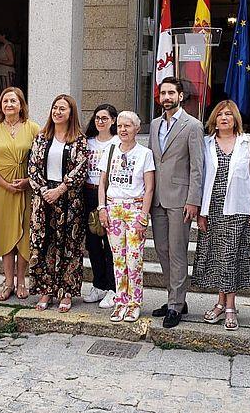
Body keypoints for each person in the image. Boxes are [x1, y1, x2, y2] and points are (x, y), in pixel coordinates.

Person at [193, 100, 250, 331]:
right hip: (211, 209)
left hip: (238, 208)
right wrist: (199, 211)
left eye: (229, 114)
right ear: (214, 119)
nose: (224, 118)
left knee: (231, 257)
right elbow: (200, 177)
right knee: (217, 256)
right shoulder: (205, 143)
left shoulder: (249, 143)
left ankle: (231, 306)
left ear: (235, 119)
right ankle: (220, 302)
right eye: (220, 114)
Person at [149, 76, 204, 328]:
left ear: (180, 96)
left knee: (177, 251)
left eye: (172, 93)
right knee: (161, 250)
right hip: (157, 199)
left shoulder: (192, 126)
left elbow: (197, 167)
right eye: (163, 93)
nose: (167, 97)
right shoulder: (154, 124)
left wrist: (194, 200)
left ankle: (175, 305)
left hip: (181, 200)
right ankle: (176, 299)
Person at [27, 94, 88, 313]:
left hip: (69, 201)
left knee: (69, 247)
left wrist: (61, 189)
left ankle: (67, 291)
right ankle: (45, 290)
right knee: (44, 245)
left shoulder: (79, 140)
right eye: (55, 108)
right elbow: (32, 166)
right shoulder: (41, 137)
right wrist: (45, 191)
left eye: (62, 109)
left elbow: (81, 168)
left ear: (71, 113)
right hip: (44, 200)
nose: (57, 112)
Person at [0, 87, 40, 301]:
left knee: (24, 233)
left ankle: (22, 280)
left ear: (21, 104)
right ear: (1, 105)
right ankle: (8, 282)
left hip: (27, 187)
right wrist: (5, 185)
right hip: (1, 188)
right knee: (6, 233)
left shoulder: (33, 128)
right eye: (5, 101)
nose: (9, 105)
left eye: (13, 101)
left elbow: (40, 159)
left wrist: (28, 181)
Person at [98, 111, 155, 323]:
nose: (123, 129)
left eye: (128, 126)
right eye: (120, 125)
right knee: (118, 258)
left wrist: (143, 216)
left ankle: (134, 303)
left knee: (134, 259)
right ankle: (120, 300)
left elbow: (149, 188)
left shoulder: (144, 154)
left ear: (137, 129)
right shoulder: (110, 150)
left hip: (134, 209)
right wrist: (101, 208)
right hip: (114, 209)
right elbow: (102, 183)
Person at [81, 104, 120, 309]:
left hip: (109, 195)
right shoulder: (87, 142)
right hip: (89, 192)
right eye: (97, 118)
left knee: (109, 244)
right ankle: (98, 284)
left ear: (113, 120)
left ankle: (113, 288)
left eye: (104, 118)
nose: (100, 121)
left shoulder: (117, 142)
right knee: (93, 243)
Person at [0, 31, 17, 96]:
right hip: (2, 73)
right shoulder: (3, 46)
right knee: (2, 94)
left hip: (6, 73)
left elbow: (11, 61)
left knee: (6, 94)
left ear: (4, 35)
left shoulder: (8, 46)